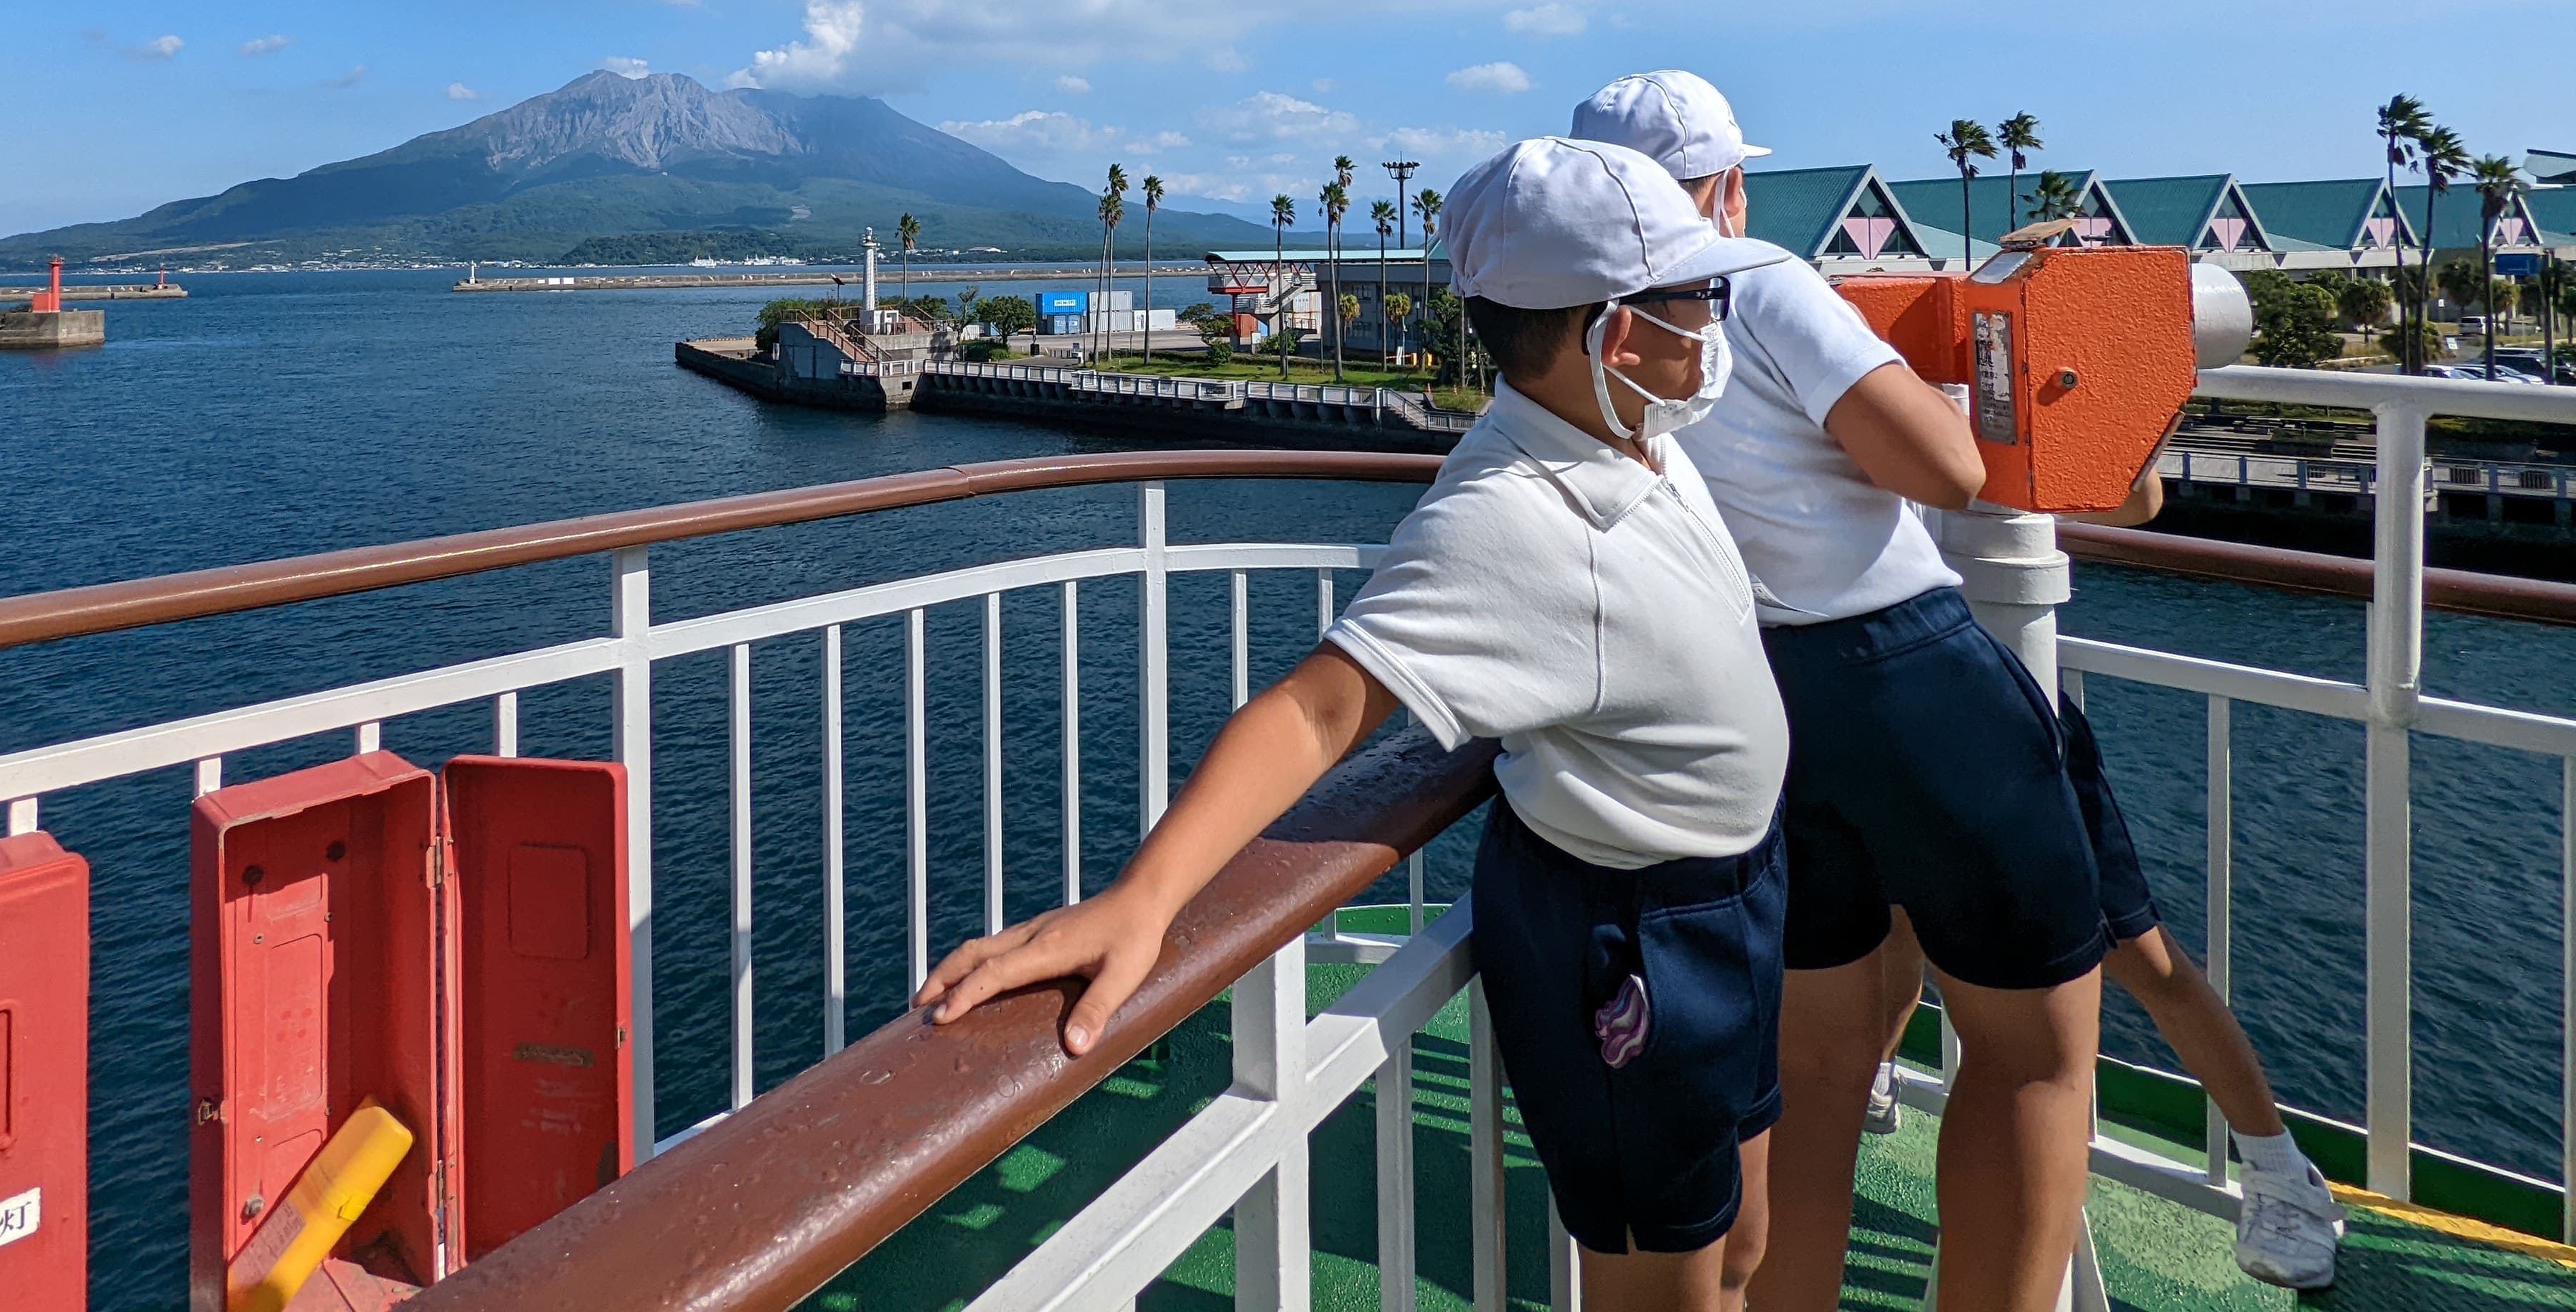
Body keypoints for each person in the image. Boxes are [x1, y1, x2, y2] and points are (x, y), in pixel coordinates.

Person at [919, 137, 1791, 1312]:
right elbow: (1316, 709)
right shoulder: (1507, 519)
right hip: (1643, 933)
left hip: (1735, 893)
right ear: (1618, 336)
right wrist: (1143, 899)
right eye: (1702, 299)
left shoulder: (1631, 433)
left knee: (1741, 1240)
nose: (1716, 329)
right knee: (1669, 1279)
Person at [1570, 70, 2102, 1312]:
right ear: (1724, 184)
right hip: (1907, 676)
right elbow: (1948, 468)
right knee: (2034, 1052)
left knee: (1814, 1067)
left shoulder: (1585, 319)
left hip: (1750, 700)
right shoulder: (1754, 277)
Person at [1867, 689, 2346, 1290]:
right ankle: (1875, 1076)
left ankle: (2281, 1173)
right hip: (1879, 709)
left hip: (2008, 712)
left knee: (2137, 951)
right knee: (1894, 916)